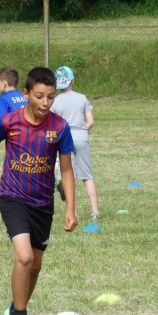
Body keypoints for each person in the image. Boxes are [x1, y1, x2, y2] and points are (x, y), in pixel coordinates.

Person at [0, 67, 78, 315]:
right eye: (40, 96)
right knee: (24, 257)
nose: (45, 103)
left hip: (43, 204)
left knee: (35, 266)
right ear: (26, 94)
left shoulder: (59, 128)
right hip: (13, 198)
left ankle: (12, 311)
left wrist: (70, 207)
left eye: (51, 97)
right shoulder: (10, 122)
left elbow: (66, 170)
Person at [51, 66, 100, 220]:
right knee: (87, 176)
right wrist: (82, 131)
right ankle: (95, 212)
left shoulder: (54, 101)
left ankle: (73, 212)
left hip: (65, 140)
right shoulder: (82, 98)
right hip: (82, 137)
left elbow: (52, 126)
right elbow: (90, 121)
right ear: (73, 81)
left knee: (68, 176)